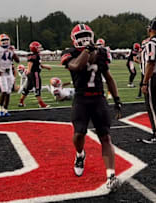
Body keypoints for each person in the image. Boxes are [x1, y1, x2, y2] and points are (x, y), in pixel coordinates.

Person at [61, 23, 122, 191]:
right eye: (81, 37)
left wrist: (116, 99)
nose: (84, 39)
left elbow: (108, 78)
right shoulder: (70, 53)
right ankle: (80, 154)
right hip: (81, 99)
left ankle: (111, 176)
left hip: (98, 99)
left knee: (105, 137)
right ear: (74, 39)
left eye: (86, 35)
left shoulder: (101, 53)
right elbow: (76, 66)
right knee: (79, 133)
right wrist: (87, 51)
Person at [0, 34, 20, 116]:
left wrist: (13, 53)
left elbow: (17, 60)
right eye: (3, 40)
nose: (5, 42)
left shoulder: (11, 49)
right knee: (4, 91)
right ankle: (0, 108)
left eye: (6, 40)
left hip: (9, 71)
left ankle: (5, 109)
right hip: (1, 71)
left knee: (8, 92)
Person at [18, 41, 51, 108]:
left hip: (32, 74)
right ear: (34, 48)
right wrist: (29, 71)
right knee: (37, 88)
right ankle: (41, 104)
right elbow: (30, 63)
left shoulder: (36, 55)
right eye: (38, 47)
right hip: (34, 73)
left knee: (27, 88)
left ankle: (21, 102)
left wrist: (45, 67)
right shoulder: (33, 56)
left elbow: (38, 64)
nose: (40, 48)